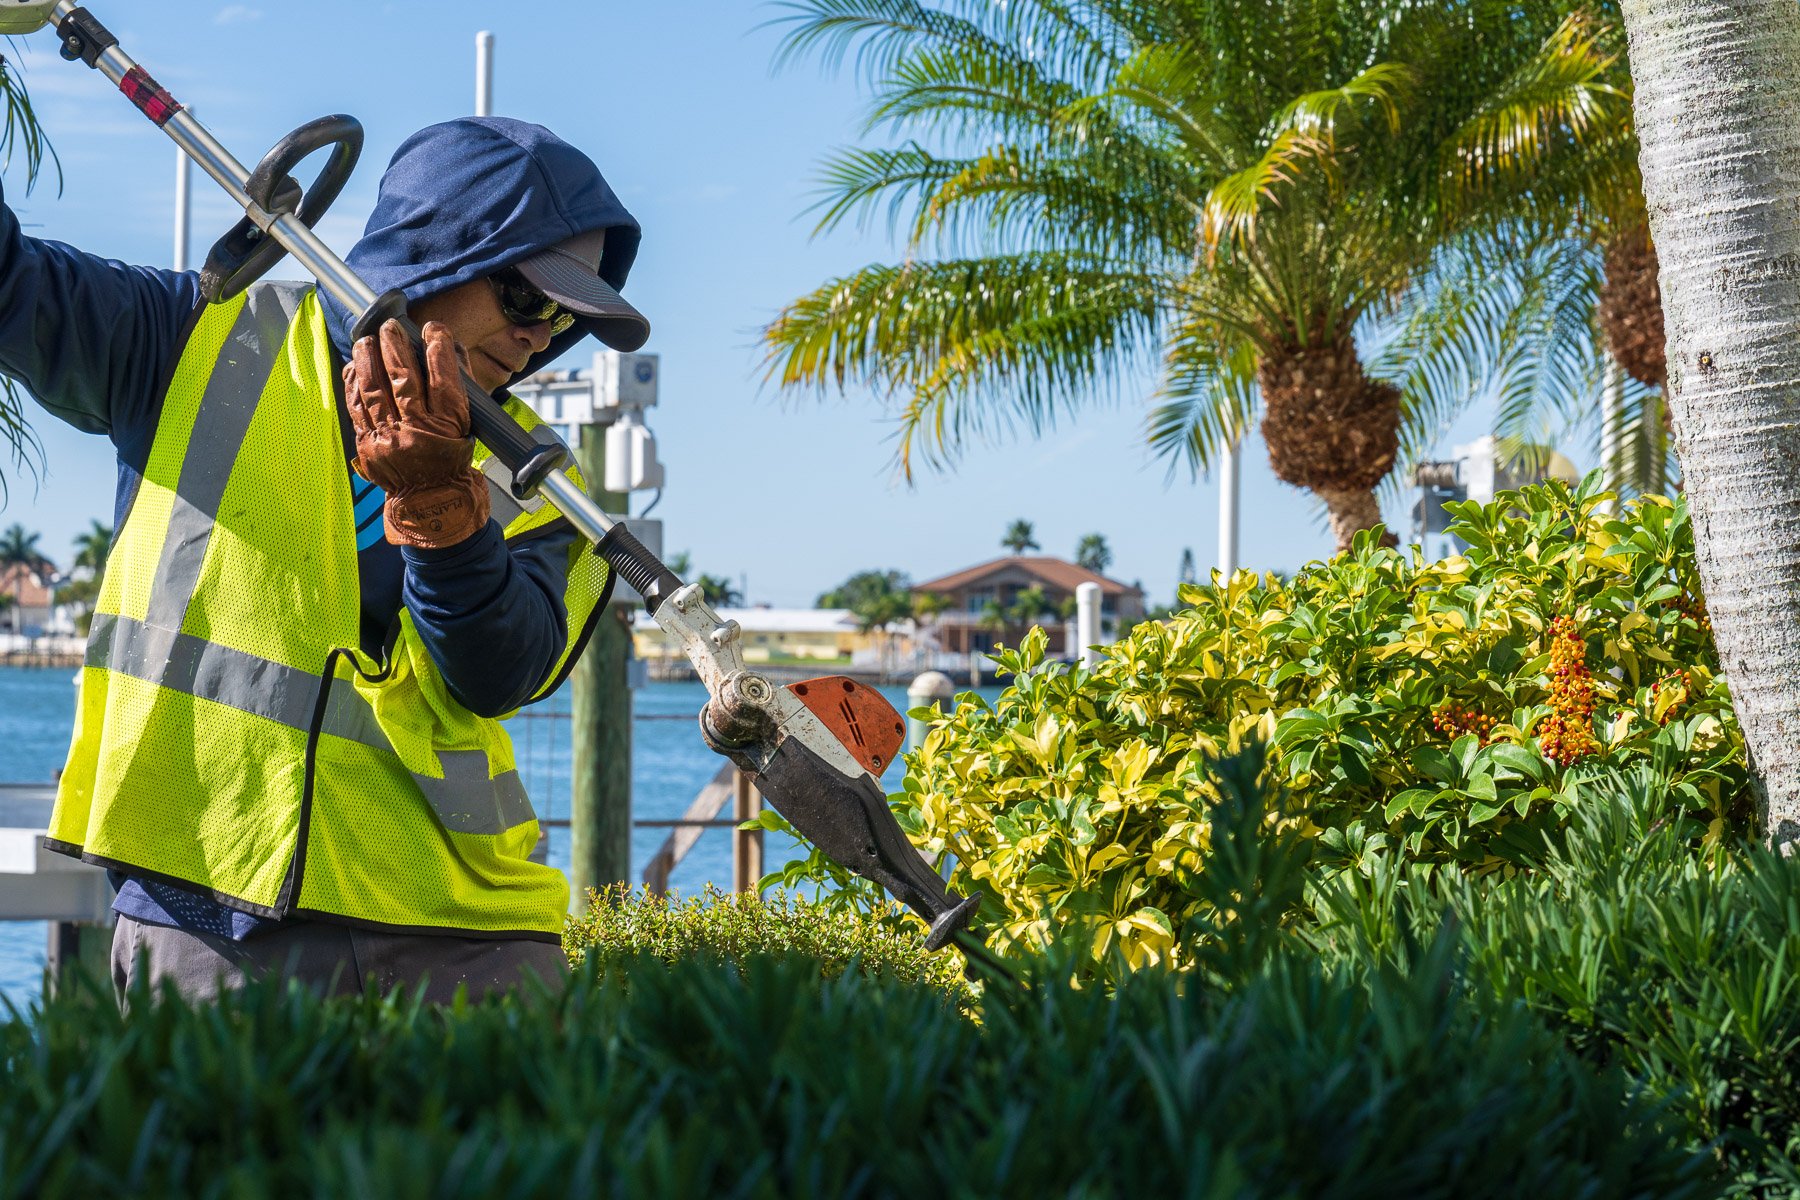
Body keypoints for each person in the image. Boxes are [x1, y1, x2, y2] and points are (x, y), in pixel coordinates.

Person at [0, 117, 648, 1002]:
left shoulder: (544, 484)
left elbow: (500, 672)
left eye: (566, 318)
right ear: (443, 250)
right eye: (530, 298)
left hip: (469, 937)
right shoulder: (188, 339)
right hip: (210, 920)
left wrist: (444, 519)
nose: (541, 337)